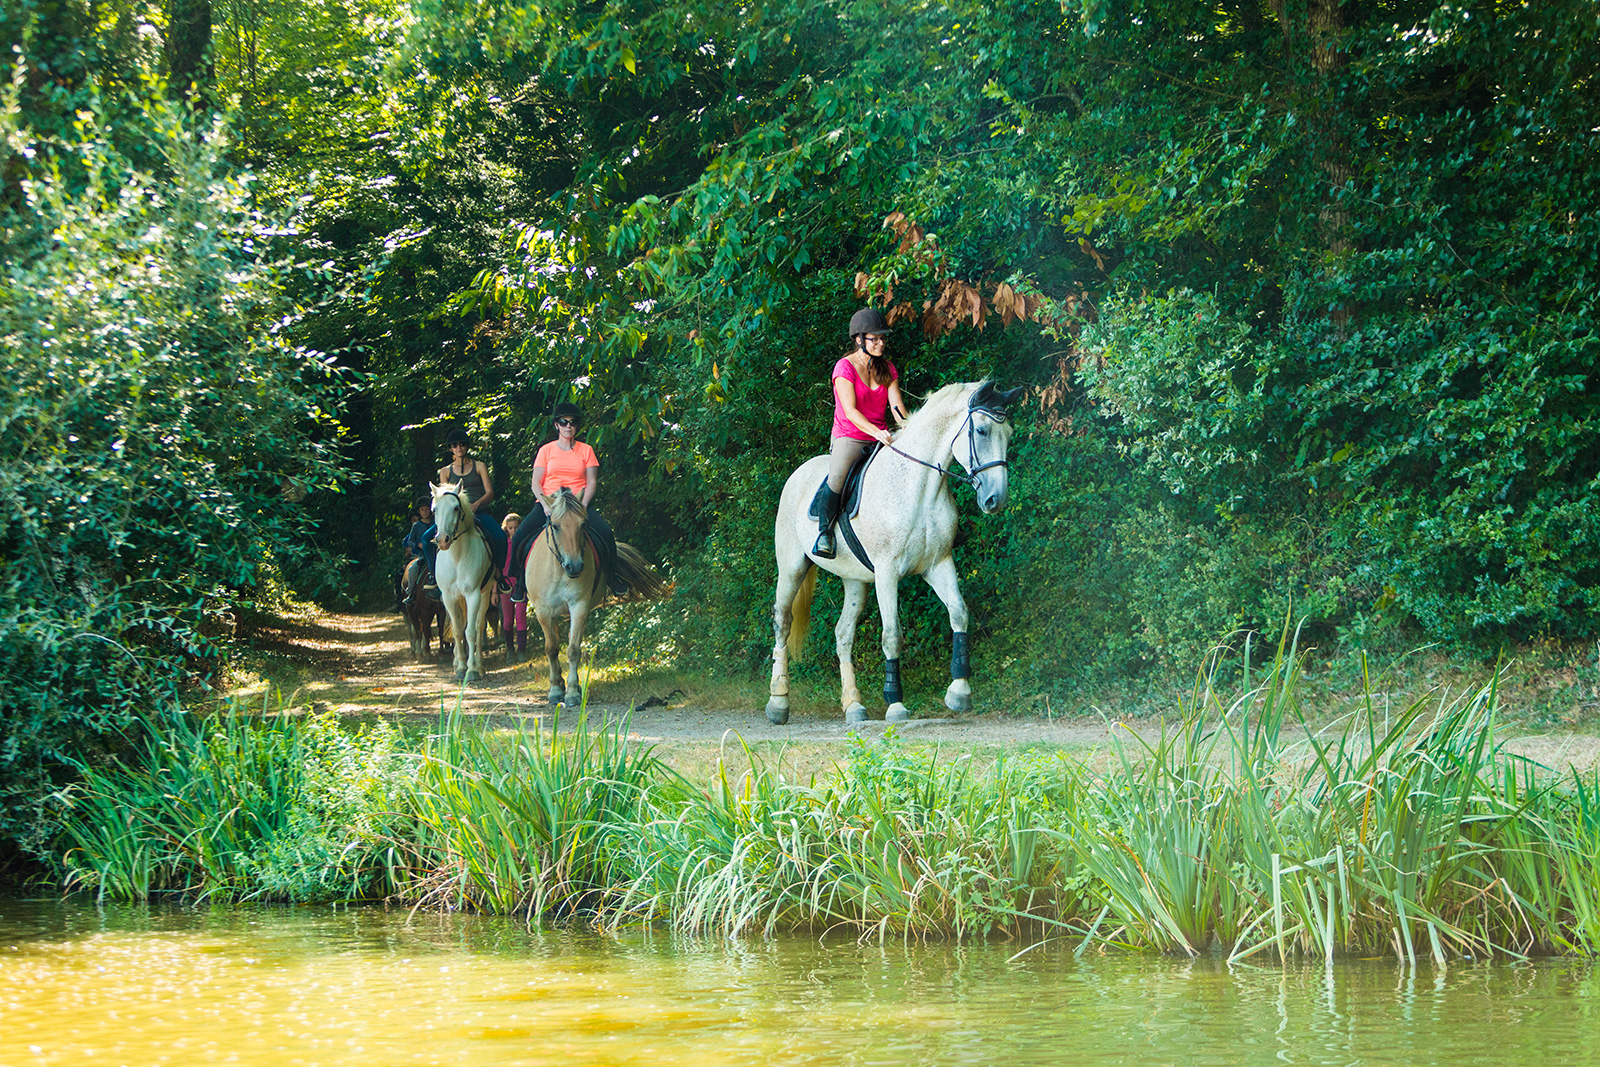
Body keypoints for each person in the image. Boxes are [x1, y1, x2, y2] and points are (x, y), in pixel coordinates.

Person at [813, 307, 908, 559]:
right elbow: (851, 411)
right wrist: (877, 432)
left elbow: (897, 408)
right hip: (850, 435)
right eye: (874, 338)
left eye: (882, 338)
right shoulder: (844, 368)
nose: (880, 342)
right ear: (858, 339)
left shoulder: (887, 368)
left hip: (881, 435)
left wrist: (909, 429)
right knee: (837, 477)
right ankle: (824, 533)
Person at [508, 402, 624, 599]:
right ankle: (520, 582)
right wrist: (545, 505)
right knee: (520, 536)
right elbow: (536, 482)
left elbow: (592, 481)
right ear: (556, 425)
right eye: (563, 422)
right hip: (551, 504)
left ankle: (613, 578)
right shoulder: (546, 451)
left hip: (577, 503)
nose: (568, 426)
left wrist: (583, 505)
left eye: (572, 422)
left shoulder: (586, 450)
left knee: (605, 532)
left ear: (577, 425)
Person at [422, 428, 510, 597]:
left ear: (467, 446)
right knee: (426, 539)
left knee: (499, 535)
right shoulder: (445, 471)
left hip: (478, 512)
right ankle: (434, 577)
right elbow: (443, 497)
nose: (459, 447)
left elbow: (490, 492)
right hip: (453, 515)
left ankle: (499, 574)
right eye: (455, 445)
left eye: (462, 444)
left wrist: (477, 503)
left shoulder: (479, 466)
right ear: (450, 448)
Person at [499, 512, 528, 662]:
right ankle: (510, 649)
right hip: (505, 584)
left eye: (516, 527)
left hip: (520, 584)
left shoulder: (523, 543)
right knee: (508, 621)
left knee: (521, 616)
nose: (514, 531)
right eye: (511, 528)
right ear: (506, 529)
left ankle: (522, 650)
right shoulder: (503, 544)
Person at [397, 496, 433, 607]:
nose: (425, 512)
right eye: (422, 510)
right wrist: (418, 545)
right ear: (419, 511)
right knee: (413, 569)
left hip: (436, 554)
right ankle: (411, 593)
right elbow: (410, 541)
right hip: (422, 555)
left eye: (427, 509)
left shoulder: (435, 523)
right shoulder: (416, 526)